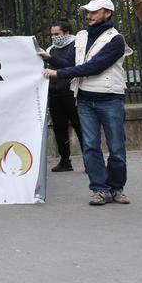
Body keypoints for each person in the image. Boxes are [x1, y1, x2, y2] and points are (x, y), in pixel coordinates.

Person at [43, 0, 132, 206]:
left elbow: (93, 67)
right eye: (88, 12)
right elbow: (70, 62)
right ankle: (100, 189)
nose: (89, 15)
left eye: (94, 11)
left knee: (116, 147)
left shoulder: (116, 39)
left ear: (107, 13)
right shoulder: (81, 36)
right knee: (91, 146)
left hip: (111, 99)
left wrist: (57, 73)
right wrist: (49, 58)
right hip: (84, 99)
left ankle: (116, 188)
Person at [38, 19, 83, 173]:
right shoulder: (51, 48)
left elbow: (71, 66)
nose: (54, 37)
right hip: (55, 93)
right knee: (59, 128)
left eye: (57, 34)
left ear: (67, 32)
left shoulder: (77, 45)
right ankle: (65, 160)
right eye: (52, 34)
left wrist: (50, 59)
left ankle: (89, 161)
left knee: (80, 127)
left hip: (71, 93)